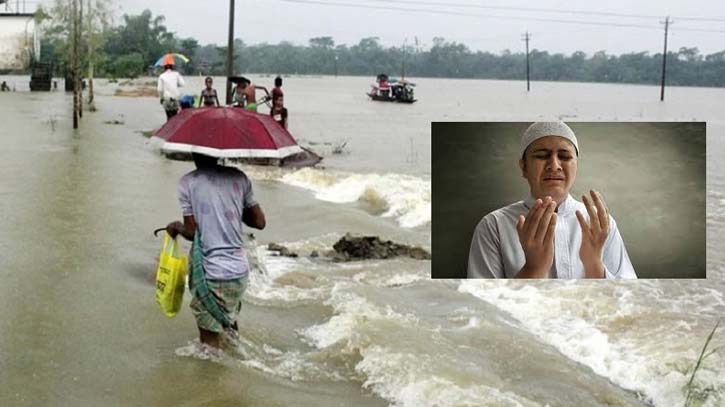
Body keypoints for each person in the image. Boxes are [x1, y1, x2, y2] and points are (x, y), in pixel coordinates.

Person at [467, 121, 636, 279]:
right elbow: (481, 305)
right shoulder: (493, 226)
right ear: (524, 167)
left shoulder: (601, 225)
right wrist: (533, 269)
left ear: (576, 166)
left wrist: (594, 265)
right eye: (541, 155)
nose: (554, 165)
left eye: (564, 156)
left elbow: (631, 300)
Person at [166, 153, 266, 349]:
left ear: (193, 152)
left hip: (212, 272)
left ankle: (213, 379)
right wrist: (233, 205)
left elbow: (192, 232)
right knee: (230, 327)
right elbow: (259, 222)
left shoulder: (188, 182)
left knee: (210, 348)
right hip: (239, 272)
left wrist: (177, 227)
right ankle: (238, 373)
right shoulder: (239, 177)